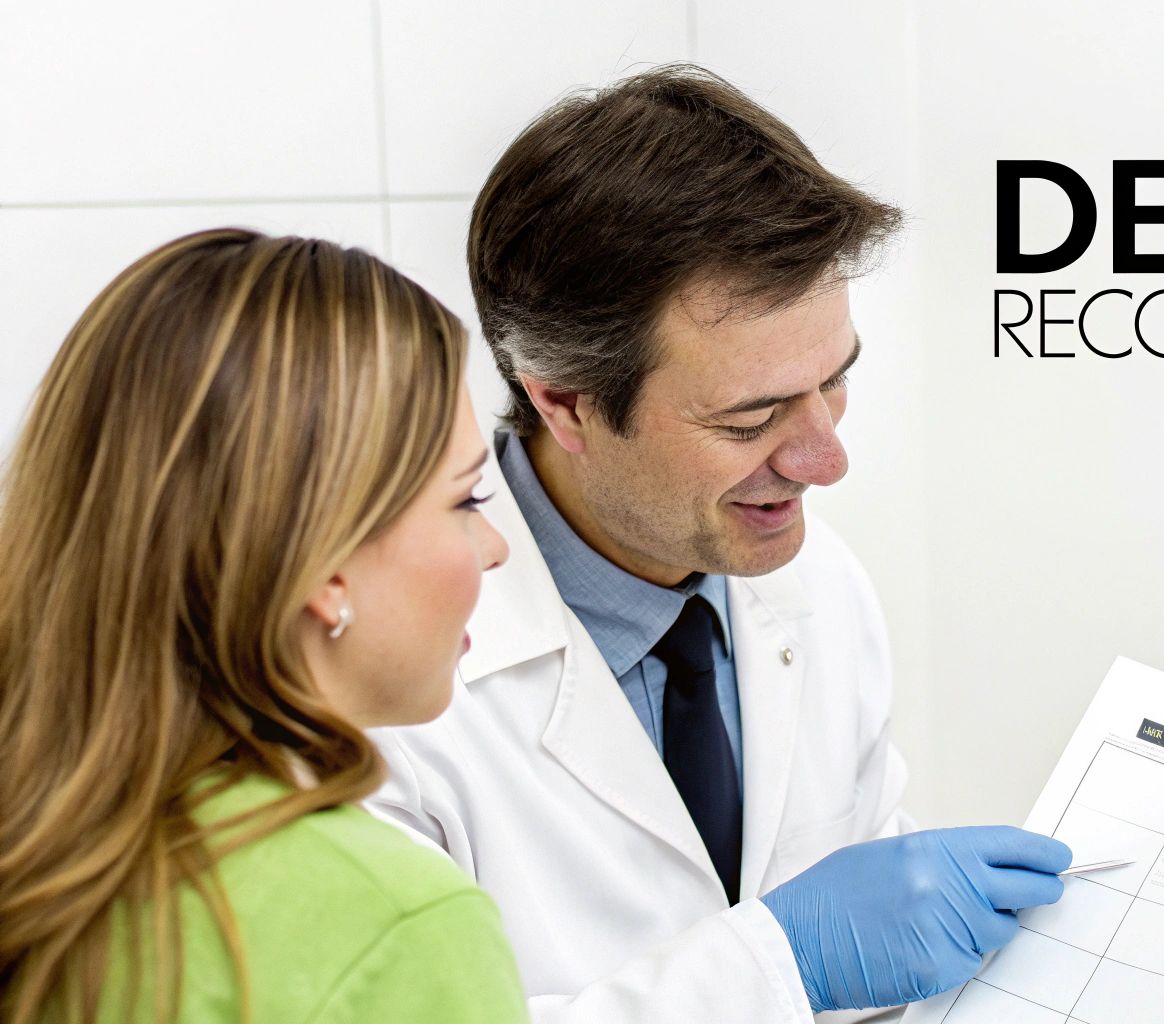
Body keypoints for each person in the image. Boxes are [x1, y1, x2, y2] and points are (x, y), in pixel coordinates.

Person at [365, 64, 1070, 1022]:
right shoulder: (386, 686)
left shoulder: (816, 584)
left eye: (836, 382)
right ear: (565, 401)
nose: (826, 461)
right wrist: (782, 961)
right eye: (752, 420)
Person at [0, 229, 526, 1024]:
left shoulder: (44, 859)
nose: (494, 548)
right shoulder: (392, 922)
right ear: (322, 564)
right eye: (465, 501)